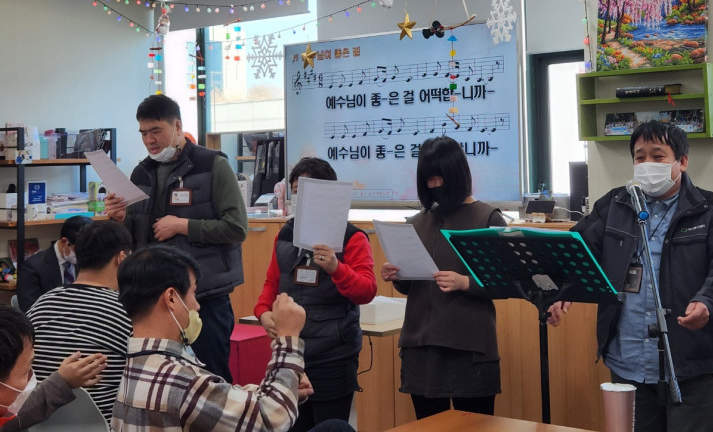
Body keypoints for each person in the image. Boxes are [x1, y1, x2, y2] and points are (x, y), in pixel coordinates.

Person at [546, 121, 713, 432]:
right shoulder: (614, 205)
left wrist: (708, 302)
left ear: (682, 161)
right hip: (626, 358)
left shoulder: (712, 210)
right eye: (639, 157)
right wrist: (562, 290)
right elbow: (577, 252)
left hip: (686, 361)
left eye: (658, 156)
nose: (647, 164)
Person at [112, 245, 353, 432]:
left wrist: (284, 388)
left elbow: (215, 399)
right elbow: (273, 419)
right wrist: (288, 338)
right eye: (193, 293)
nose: (197, 305)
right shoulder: (178, 379)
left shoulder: (136, 363)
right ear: (172, 298)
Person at [104, 94, 248, 382]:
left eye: (156, 131)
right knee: (164, 378)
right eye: (143, 133)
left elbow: (236, 228)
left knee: (211, 378)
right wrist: (120, 219)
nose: (149, 140)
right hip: (156, 299)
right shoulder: (141, 171)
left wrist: (183, 226)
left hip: (203, 296)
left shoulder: (212, 165)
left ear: (177, 126)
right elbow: (136, 236)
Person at [380, 136, 505, 420]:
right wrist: (397, 275)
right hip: (420, 348)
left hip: (468, 350)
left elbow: (507, 281)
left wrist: (466, 283)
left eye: (440, 177)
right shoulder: (417, 222)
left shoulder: (488, 219)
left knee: (474, 426)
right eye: (428, 179)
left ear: (457, 174)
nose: (434, 185)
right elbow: (410, 286)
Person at [254, 157, 376, 431]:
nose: (301, 198)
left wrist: (336, 268)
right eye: (296, 191)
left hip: (333, 355)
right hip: (290, 353)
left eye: (309, 190)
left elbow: (366, 290)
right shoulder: (285, 234)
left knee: (330, 425)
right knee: (291, 424)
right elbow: (272, 283)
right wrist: (263, 314)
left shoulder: (352, 237)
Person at [27, 220, 133, 423]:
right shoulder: (128, 311)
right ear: (122, 258)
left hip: (37, 423)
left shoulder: (41, 304)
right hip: (103, 425)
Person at [0, 305, 106, 431]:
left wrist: (63, 382)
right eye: (25, 372)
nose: (31, 378)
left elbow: (16, 418)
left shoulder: (40, 306)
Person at [16, 215, 91, 312]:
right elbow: (30, 309)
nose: (82, 255)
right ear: (64, 241)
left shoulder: (88, 262)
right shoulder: (32, 268)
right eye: (79, 250)